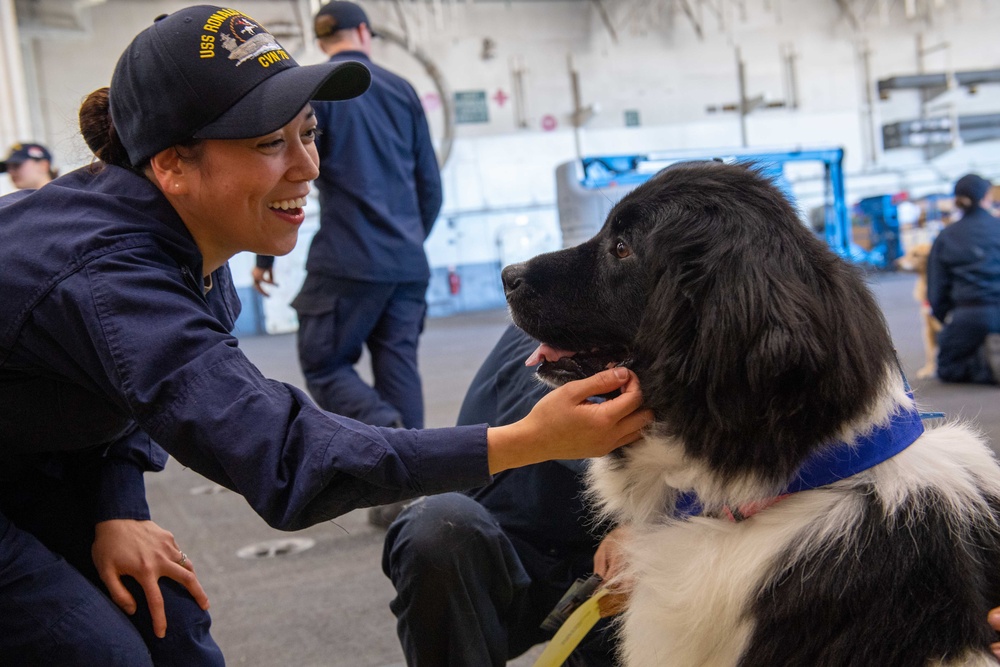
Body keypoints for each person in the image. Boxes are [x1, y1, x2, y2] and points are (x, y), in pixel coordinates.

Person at [0, 6, 651, 666]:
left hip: (38, 453)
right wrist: (528, 440)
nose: (308, 166)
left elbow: (129, 389)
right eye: (269, 144)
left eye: (308, 133)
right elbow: (285, 454)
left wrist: (118, 505)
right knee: (96, 650)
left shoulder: (190, 251)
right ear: (172, 164)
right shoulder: (111, 276)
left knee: (173, 621)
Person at [252, 1, 441, 528]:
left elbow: (290, 175)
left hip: (347, 260)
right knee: (397, 362)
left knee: (323, 362)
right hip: (407, 262)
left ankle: (387, 429)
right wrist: (406, 243)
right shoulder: (403, 90)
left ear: (321, 39)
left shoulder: (320, 96)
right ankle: (410, 486)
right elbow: (431, 182)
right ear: (364, 32)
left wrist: (266, 251)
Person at [383, 325, 629, 666]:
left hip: (604, 573)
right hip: (501, 557)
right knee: (437, 527)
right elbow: (575, 432)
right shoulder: (552, 331)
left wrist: (652, 525)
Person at [926, 173, 1000, 384]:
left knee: (948, 368)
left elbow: (936, 291)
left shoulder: (946, 236)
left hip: (970, 315)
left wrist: (950, 321)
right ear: (987, 197)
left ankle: (985, 366)